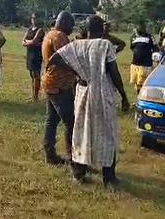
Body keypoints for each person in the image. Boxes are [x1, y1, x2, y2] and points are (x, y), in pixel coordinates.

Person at [47, 15, 128, 187]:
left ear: (87, 28)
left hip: (83, 92)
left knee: (81, 131)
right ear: (102, 29)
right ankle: (108, 177)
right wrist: (124, 95)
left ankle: (79, 173)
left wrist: (78, 70)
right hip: (103, 92)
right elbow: (114, 72)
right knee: (107, 132)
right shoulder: (105, 44)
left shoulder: (76, 45)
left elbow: (54, 59)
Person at [41, 11, 76, 166]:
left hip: (50, 83)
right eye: (71, 25)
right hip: (59, 84)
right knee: (70, 122)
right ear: (63, 23)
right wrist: (76, 70)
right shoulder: (59, 37)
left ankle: (50, 154)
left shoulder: (50, 34)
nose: (72, 28)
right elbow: (63, 59)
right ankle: (73, 158)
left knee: (52, 119)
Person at [130, 22, 158, 94]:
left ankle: (144, 96)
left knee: (143, 82)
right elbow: (132, 48)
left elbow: (155, 48)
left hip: (145, 64)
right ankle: (138, 95)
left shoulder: (150, 37)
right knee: (136, 81)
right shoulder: (134, 37)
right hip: (135, 63)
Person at [22, 13, 45, 102]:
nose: (34, 20)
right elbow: (23, 41)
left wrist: (28, 42)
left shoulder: (40, 30)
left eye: (35, 18)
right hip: (30, 53)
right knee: (31, 75)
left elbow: (34, 41)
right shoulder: (29, 29)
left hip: (36, 54)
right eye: (32, 18)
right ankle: (33, 95)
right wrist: (29, 42)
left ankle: (36, 97)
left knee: (36, 75)